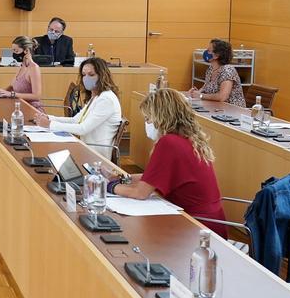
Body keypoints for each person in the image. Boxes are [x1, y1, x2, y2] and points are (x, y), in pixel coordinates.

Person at [107, 88, 227, 237]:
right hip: (213, 222)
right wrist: (123, 178)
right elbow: (153, 177)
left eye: (148, 118)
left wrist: (109, 186)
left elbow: (140, 193)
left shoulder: (168, 143)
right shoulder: (188, 138)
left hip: (197, 227)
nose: (147, 123)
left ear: (161, 117)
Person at [33, 58, 122, 158]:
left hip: (96, 153)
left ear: (102, 76)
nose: (86, 78)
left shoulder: (106, 99)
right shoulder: (96, 96)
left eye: (91, 75)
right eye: (84, 75)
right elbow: (75, 120)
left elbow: (83, 129)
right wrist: (49, 118)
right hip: (86, 147)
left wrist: (50, 124)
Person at [188, 38, 246, 106]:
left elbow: (222, 97)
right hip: (216, 107)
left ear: (216, 55)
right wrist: (196, 93)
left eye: (209, 50)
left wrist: (201, 95)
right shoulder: (211, 69)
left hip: (232, 111)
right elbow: (206, 87)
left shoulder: (227, 70)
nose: (206, 52)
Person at [0, 36, 44, 110]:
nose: (14, 54)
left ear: (26, 51)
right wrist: (0, 92)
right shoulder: (21, 66)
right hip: (19, 107)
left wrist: (12, 94)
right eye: (13, 51)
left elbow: (36, 96)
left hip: (32, 109)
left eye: (16, 51)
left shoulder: (34, 68)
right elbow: (12, 86)